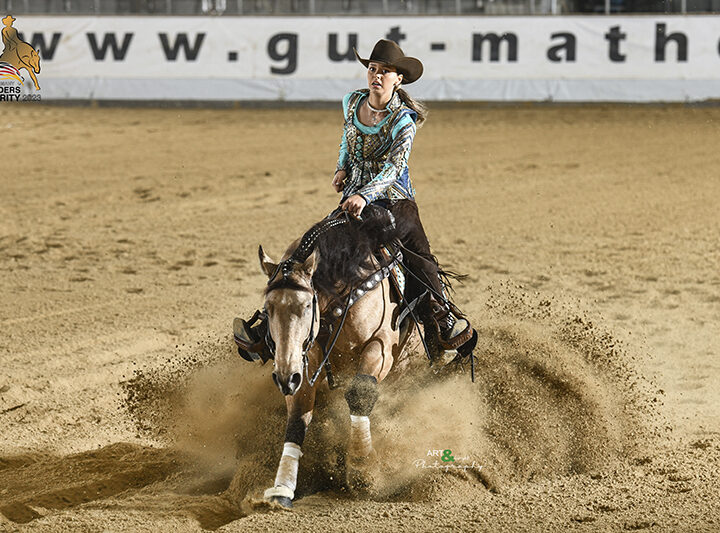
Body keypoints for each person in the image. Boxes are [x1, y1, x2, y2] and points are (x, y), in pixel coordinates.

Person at [331, 39, 474, 362]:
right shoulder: (351, 102)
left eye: (385, 71)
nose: (376, 76)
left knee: (419, 256)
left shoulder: (403, 120)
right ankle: (274, 320)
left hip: (395, 202)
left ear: (399, 79)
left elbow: (394, 169)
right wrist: (342, 166)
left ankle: (441, 316)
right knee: (319, 240)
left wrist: (364, 196)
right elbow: (346, 137)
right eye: (372, 69)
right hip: (354, 196)